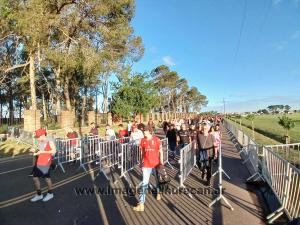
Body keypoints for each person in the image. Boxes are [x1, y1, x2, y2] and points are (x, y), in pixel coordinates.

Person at [133, 126, 164, 212]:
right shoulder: (142, 140)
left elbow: (161, 152)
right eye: (143, 131)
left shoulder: (157, 140)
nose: (144, 132)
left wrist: (161, 163)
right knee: (144, 183)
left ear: (150, 131)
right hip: (146, 165)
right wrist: (141, 162)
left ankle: (158, 193)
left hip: (155, 164)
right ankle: (141, 204)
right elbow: (142, 152)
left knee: (157, 180)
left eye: (145, 131)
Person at [30, 128, 56, 202]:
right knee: (35, 178)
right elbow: (38, 150)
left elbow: (54, 151)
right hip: (39, 161)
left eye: (38, 136)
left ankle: (50, 193)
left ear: (43, 135)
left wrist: (42, 152)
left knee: (47, 178)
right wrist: (34, 150)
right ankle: (39, 195)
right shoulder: (40, 141)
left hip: (46, 162)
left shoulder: (49, 141)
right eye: (37, 137)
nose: (37, 138)